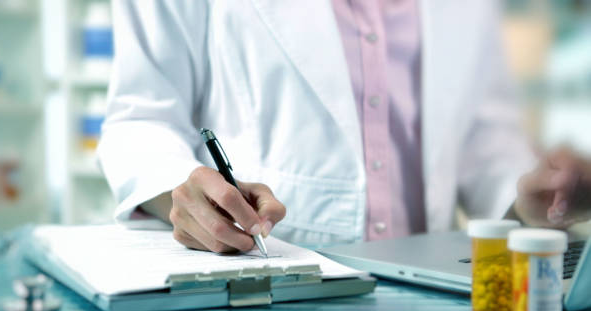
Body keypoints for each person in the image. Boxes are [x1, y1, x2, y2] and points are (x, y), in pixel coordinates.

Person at [99, 0, 555, 253]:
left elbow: (484, 141)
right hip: (261, 282)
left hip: (423, 295)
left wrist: (538, 200)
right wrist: (181, 190)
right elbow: (140, 118)